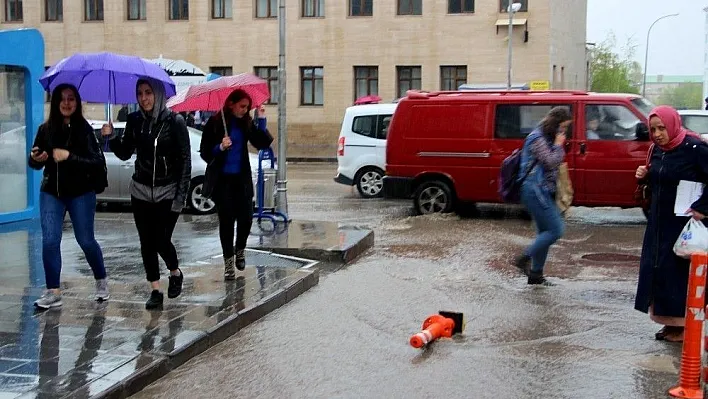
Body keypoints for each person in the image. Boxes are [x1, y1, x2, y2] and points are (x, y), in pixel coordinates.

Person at [102, 78, 191, 310]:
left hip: (167, 191)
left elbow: (185, 162)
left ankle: (175, 271)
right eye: (140, 93)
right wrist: (111, 137)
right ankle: (155, 290)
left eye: (148, 92)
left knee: (161, 240)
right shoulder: (134, 121)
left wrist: (180, 197)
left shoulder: (175, 122)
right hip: (140, 191)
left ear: (158, 94)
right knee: (146, 243)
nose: (144, 98)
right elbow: (124, 153)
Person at [28, 84, 109, 309]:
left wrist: (69, 157)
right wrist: (37, 158)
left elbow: (96, 163)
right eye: (62, 99)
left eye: (71, 98)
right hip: (51, 192)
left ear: (77, 102)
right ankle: (53, 291)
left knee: (85, 240)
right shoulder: (46, 130)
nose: (66, 103)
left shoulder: (85, 130)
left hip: (81, 193)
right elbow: (34, 161)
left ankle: (101, 279)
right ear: (55, 103)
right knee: (50, 240)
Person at [634, 105, 708, 343]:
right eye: (653, 129)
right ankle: (669, 322)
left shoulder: (695, 148)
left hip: (684, 223)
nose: (656, 134)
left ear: (673, 125)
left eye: (661, 128)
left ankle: (683, 325)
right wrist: (644, 175)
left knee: (678, 273)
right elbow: (657, 179)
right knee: (658, 270)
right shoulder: (658, 149)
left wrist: (702, 207)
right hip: (659, 220)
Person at [199, 89, 273, 280]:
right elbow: (205, 153)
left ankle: (240, 249)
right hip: (223, 182)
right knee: (226, 223)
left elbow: (262, 143)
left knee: (247, 219)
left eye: (247, 107)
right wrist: (221, 147)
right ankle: (228, 264)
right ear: (231, 104)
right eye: (242, 106)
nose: (244, 110)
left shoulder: (245, 123)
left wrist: (261, 120)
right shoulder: (215, 124)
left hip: (242, 180)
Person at [514, 107, 572, 286]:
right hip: (534, 190)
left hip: (542, 190)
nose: (564, 132)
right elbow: (550, 162)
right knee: (556, 230)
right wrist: (558, 144)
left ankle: (536, 275)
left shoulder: (544, 136)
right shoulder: (537, 138)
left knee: (544, 232)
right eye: (562, 127)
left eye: (565, 128)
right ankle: (524, 257)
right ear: (555, 123)